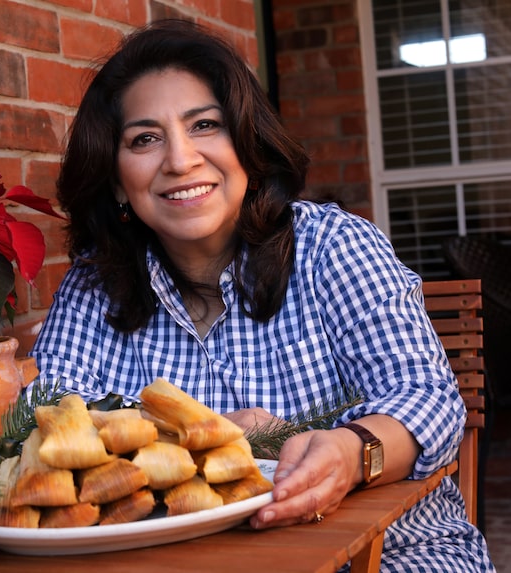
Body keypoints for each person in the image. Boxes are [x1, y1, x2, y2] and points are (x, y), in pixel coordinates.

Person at [29, 19, 495, 572]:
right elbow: (44, 426)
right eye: (145, 139)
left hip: (391, 553)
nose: (179, 160)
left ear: (247, 143)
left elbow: (426, 399)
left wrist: (351, 453)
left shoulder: (332, 246)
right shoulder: (93, 289)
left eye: (205, 124)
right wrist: (204, 435)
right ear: (115, 180)